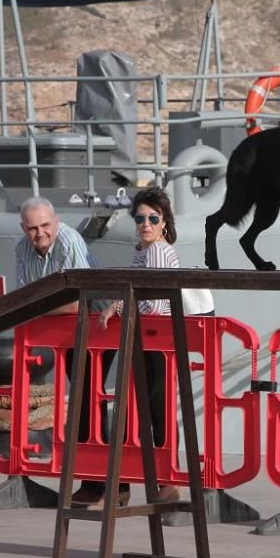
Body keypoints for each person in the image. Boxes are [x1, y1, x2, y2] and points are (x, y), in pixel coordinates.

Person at [15, 196, 119, 509]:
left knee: (89, 402)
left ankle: (96, 484)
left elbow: (80, 300)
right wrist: (40, 306)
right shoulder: (22, 249)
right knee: (85, 401)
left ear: (56, 222)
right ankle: (110, 482)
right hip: (69, 332)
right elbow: (24, 297)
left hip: (99, 325)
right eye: (32, 228)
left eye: (45, 225)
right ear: (23, 228)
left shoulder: (69, 242)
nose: (40, 233)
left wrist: (40, 307)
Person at [96, 187, 184, 504]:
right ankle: (151, 483)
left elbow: (154, 306)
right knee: (146, 409)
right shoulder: (144, 252)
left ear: (164, 222)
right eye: (140, 218)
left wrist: (119, 307)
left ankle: (159, 483)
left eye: (152, 218)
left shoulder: (158, 252)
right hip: (148, 340)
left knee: (150, 409)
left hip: (155, 341)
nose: (145, 224)